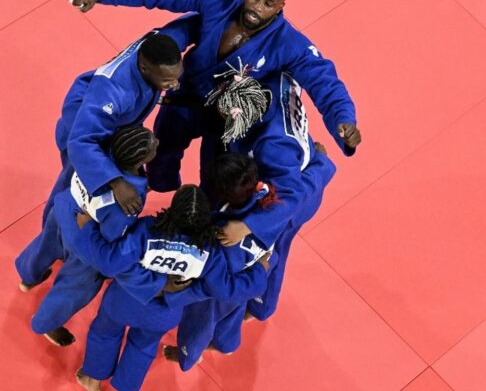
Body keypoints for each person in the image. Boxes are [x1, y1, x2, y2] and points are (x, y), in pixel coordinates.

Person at [69, 0, 361, 192]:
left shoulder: (289, 44)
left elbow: (324, 80)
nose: (256, 7)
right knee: (161, 156)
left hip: (225, 118)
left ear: (280, 6)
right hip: (184, 98)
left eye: (268, 3)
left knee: (216, 176)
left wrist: (343, 119)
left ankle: (200, 222)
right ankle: (159, 195)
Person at [15, 15, 197, 290]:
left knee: (78, 199)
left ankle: (58, 239)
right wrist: (116, 181)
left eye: (176, 77)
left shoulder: (159, 48)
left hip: (110, 128)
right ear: (145, 69)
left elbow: (189, 23)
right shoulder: (114, 92)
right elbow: (81, 143)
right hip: (82, 130)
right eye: (168, 80)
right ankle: (37, 261)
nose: (174, 85)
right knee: (66, 196)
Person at [54, 185, 276, 391]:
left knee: (104, 332)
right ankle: (124, 387)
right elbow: (227, 289)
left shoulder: (148, 229)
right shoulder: (211, 252)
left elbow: (110, 261)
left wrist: (89, 230)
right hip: (166, 312)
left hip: (126, 300)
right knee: (143, 347)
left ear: (172, 209)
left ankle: (92, 378)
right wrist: (259, 270)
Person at [163, 148, 335, 370]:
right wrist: (322, 161)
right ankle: (226, 345)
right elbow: (304, 188)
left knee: (200, 321)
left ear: (222, 194)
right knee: (234, 312)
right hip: (257, 268)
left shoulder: (220, 235)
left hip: (226, 284)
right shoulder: (273, 203)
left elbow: (215, 284)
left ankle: (189, 354)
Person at [26, 126, 161, 346]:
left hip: (64, 207)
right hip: (83, 239)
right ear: (138, 161)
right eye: (152, 145)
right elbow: (110, 236)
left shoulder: (97, 156)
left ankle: (27, 274)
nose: (157, 142)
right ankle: (45, 323)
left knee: (45, 244)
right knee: (76, 287)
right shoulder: (128, 202)